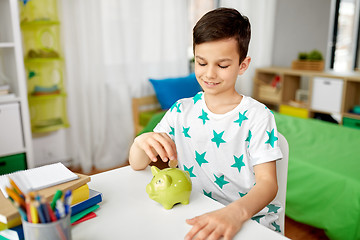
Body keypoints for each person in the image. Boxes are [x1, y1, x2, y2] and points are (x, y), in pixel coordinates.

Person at [129, 8, 283, 240]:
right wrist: (141, 141)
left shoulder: (258, 116)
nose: (209, 74)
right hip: (197, 211)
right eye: (201, 63)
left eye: (222, 66)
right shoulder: (181, 111)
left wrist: (234, 214)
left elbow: (268, 184)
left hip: (249, 220)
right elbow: (136, 164)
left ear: (243, 65)